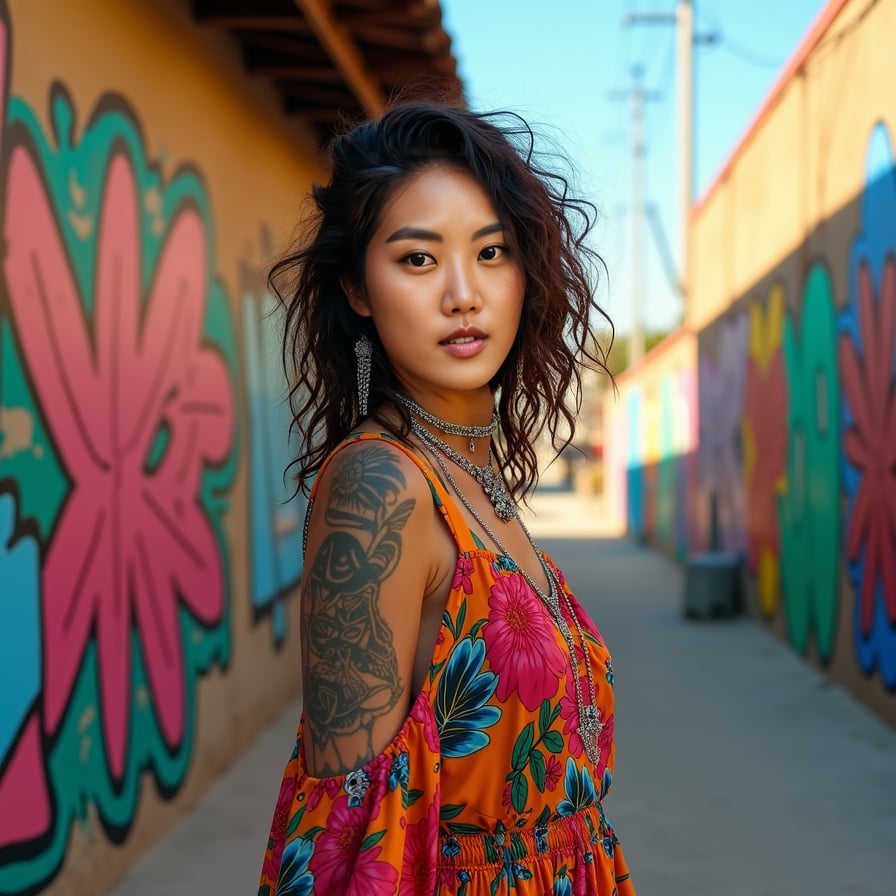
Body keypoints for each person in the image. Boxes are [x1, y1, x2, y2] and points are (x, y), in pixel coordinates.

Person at [257, 99, 636, 896]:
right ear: (358, 289)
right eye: (418, 260)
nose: (464, 294)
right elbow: (340, 835)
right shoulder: (381, 484)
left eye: (492, 252)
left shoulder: (470, 477)